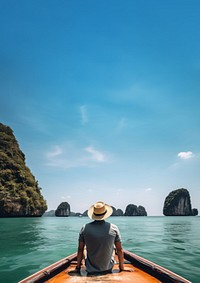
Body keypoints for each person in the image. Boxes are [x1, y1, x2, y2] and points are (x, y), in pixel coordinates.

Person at [75, 201, 125, 275]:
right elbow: (120, 250)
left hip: (90, 269)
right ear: (105, 213)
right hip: (108, 268)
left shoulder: (85, 228)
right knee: (114, 248)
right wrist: (122, 268)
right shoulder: (114, 228)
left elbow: (80, 250)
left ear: (93, 214)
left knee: (84, 249)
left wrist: (78, 267)